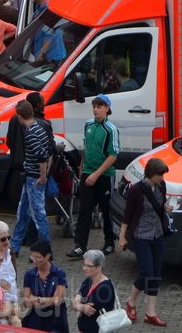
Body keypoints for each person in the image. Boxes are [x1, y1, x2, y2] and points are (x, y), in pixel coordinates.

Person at [118, 157, 171, 327]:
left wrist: (165, 208)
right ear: (151, 174)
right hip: (142, 236)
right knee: (147, 273)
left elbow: (159, 205)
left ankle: (151, 313)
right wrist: (122, 236)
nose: (162, 178)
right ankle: (131, 301)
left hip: (158, 234)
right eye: (160, 175)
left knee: (155, 275)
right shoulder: (136, 190)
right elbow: (127, 214)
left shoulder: (161, 186)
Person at [67, 95, 120, 260]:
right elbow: (87, 147)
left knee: (106, 210)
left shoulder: (111, 129)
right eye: (94, 106)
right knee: (85, 210)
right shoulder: (88, 125)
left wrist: (96, 175)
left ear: (107, 109)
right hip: (88, 174)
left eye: (100, 106)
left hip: (104, 175)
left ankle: (109, 242)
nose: (96, 109)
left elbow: (113, 156)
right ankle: (80, 246)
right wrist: (81, 169)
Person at [9, 101, 52, 254]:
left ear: (20, 116)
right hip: (30, 178)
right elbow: (48, 151)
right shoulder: (39, 128)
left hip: (34, 179)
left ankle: (45, 251)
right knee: (23, 212)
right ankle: (14, 247)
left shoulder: (30, 133)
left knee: (38, 215)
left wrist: (42, 176)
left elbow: (41, 155)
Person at [22, 239, 69, 332]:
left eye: (38, 257)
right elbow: (26, 301)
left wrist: (38, 299)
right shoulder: (29, 274)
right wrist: (49, 300)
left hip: (55, 319)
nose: (34, 260)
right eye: (32, 256)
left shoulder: (59, 273)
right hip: (36, 319)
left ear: (47, 256)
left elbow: (58, 300)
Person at [71, 250, 118, 333]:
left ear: (99, 267)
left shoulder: (106, 287)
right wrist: (82, 306)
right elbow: (74, 301)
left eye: (89, 266)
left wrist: (79, 305)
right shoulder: (88, 281)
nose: (84, 268)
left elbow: (90, 311)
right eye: (84, 265)